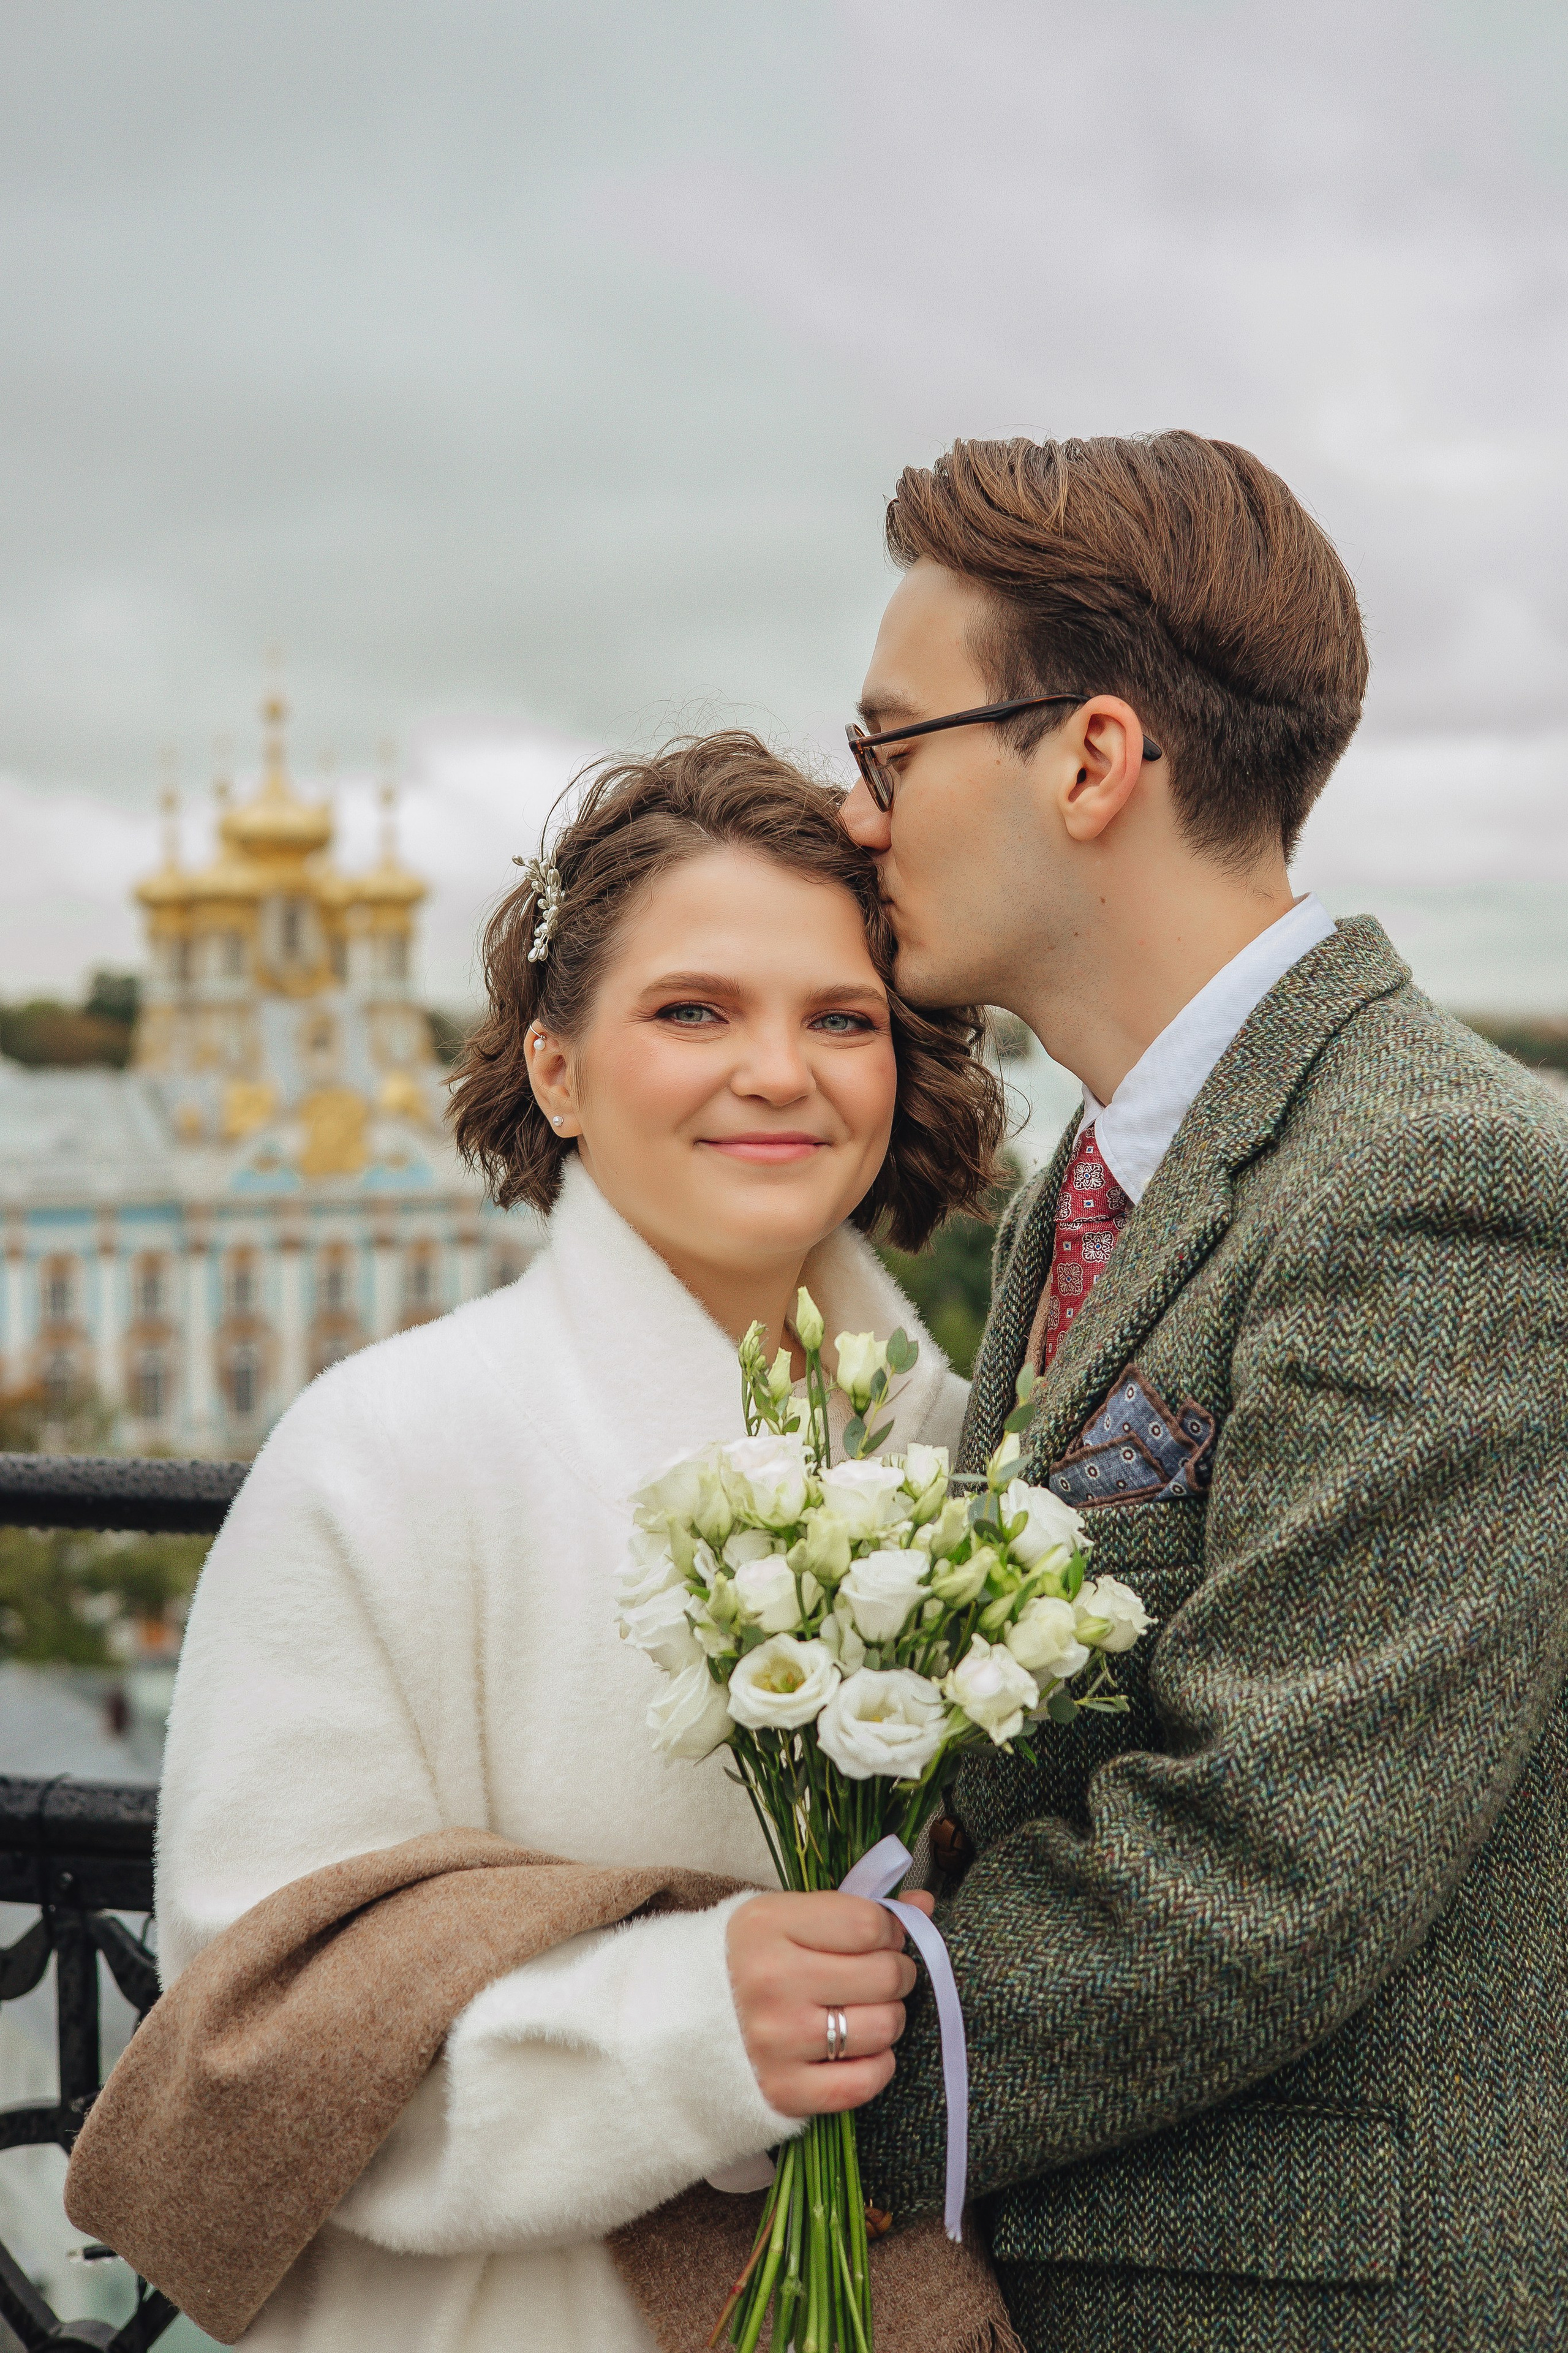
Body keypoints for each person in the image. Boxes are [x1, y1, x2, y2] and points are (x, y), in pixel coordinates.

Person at [796, 432, 1563, 2351]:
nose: (856, 813)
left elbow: (1272, 1863)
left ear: (1092, 758)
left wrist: (769, 2080)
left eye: (892, 748)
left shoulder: (1427, 1181)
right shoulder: (1102, 1163)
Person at [153, 731, 1003, 2352]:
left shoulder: (951, 1458)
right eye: (695, 1010)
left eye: (841, 1017)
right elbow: (255, 2052)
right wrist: (688, 2030)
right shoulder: (390, 1450)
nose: (780, 1070)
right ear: (557, 1070)